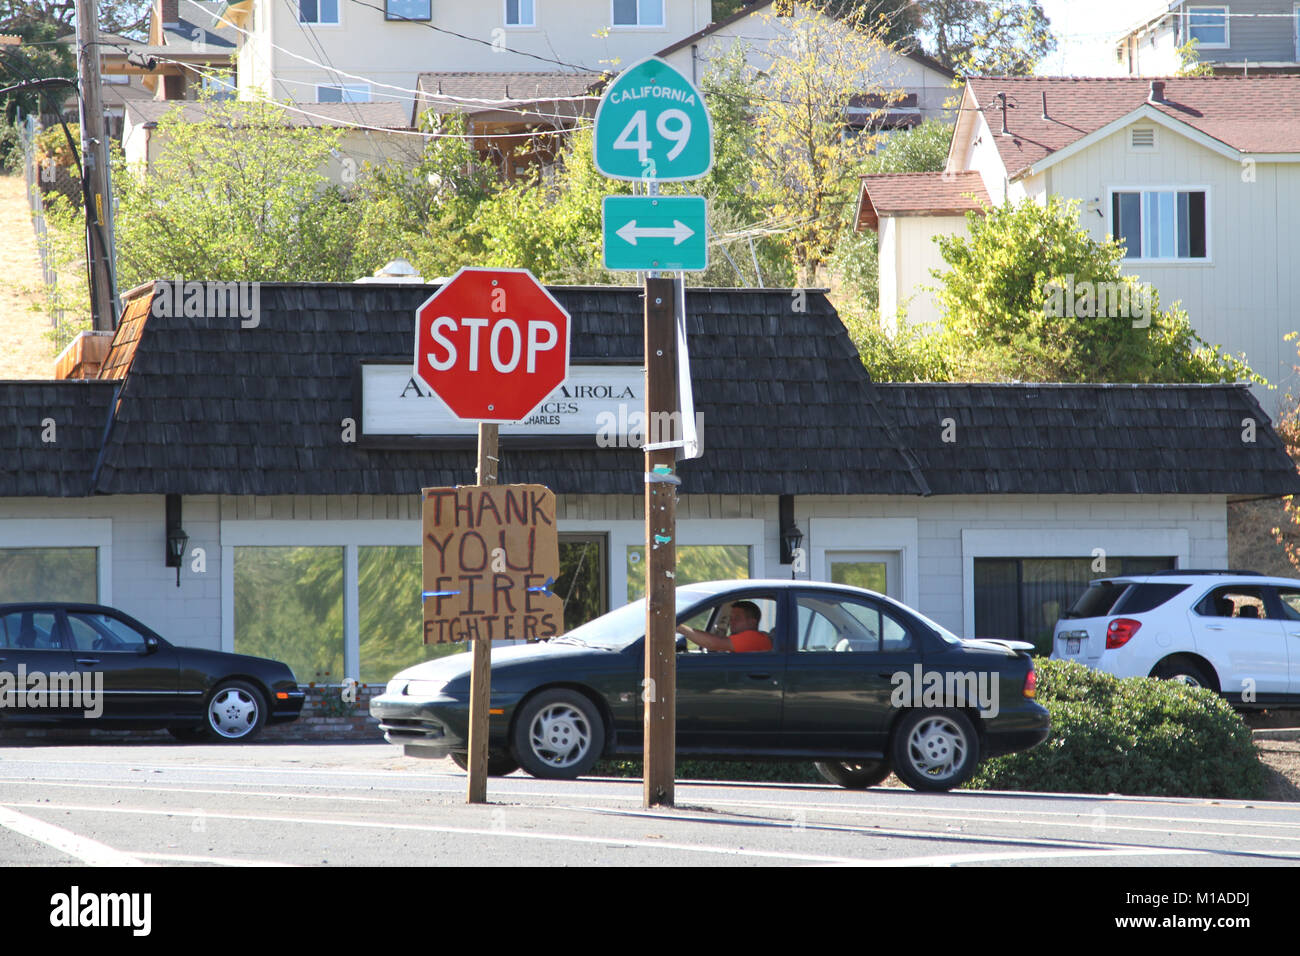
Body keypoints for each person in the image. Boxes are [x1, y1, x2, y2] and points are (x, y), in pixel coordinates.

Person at [676, 600, 772, 652]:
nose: (731, 622)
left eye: (737, 618)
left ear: (752, 622)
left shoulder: (754, 638)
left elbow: (712, 644)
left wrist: (678, 627)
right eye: (731, 618)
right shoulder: (740, 639)